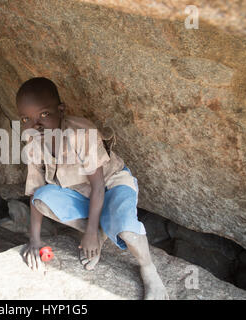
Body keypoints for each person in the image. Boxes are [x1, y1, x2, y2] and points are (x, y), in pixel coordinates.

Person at [17, 77, 169, 300]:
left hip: (111, 186)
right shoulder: (33, 144)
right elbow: (35, 193)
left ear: (61, 110)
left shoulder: (81, 134)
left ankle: (148, 269)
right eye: (26, 119)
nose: (35, 125)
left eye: (44, 114)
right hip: (82, 194)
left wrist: (89, 235)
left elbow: (98, 187)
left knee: (126, 231)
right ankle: (99, 228)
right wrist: (35, 241)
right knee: (42, 199)